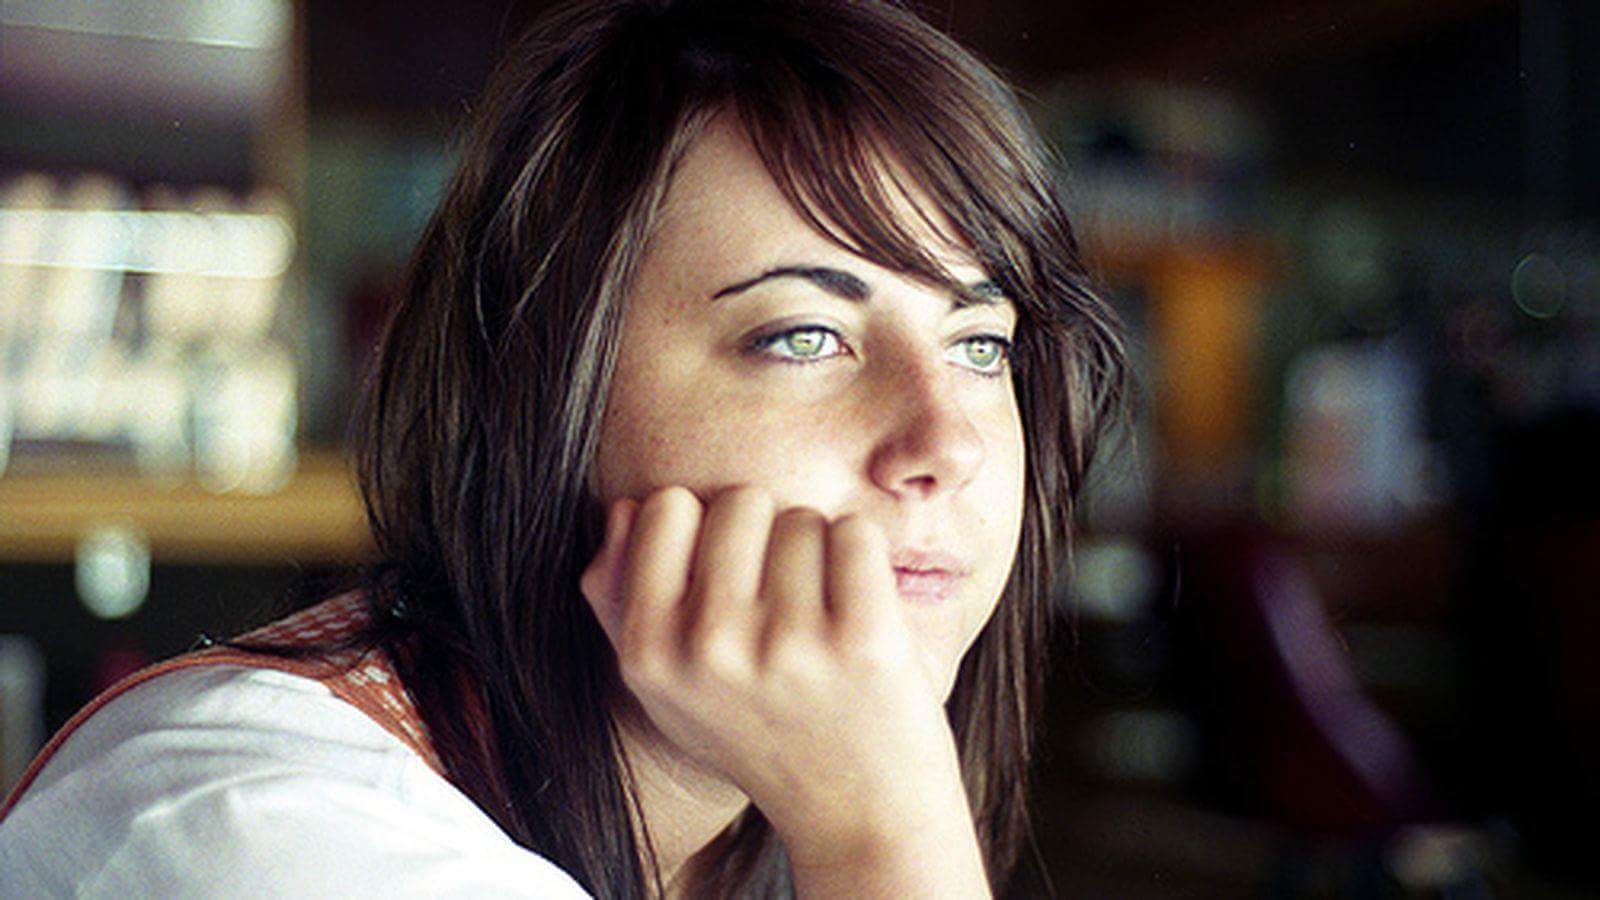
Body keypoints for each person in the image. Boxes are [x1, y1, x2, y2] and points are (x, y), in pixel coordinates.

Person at [0, 0, 1128, 896]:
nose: (947, 442)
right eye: (803, 335)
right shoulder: (266, 829)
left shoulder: (745, 845)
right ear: (543, 393)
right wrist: (882, 826)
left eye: (980, 344)